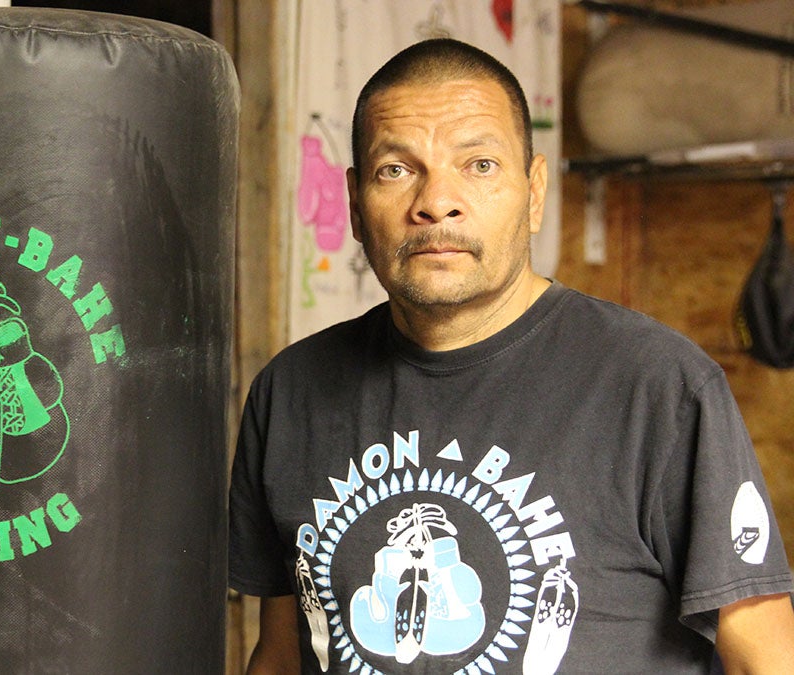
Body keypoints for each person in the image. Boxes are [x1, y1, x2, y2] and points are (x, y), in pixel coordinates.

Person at [228, 38, 794, 674]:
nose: (436, 201)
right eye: (397, 169)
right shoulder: (288, 392)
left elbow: (764, 659)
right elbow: (280, 654)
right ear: (356, 204)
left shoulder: (659, 387)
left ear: (534, 191)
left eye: (480, 165)